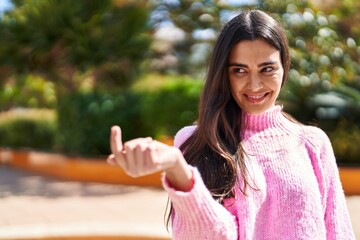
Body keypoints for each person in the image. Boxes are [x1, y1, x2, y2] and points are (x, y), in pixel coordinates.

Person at [107, 9, 355, 240]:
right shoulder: (197, 141)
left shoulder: (313, 142)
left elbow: (339, 231)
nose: (254, 85)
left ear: (284, 66)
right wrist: (177, 169)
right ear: (223, 74)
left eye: (267, 69)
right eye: (239, 70)